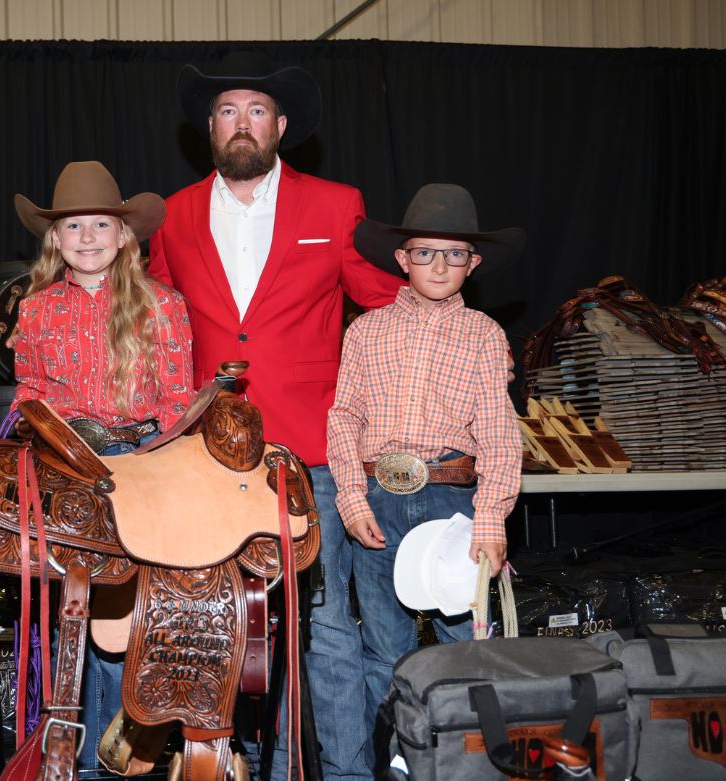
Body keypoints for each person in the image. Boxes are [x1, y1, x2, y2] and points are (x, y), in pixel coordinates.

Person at [147, 50, 402, 781]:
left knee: (323, 626)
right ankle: (234, 763)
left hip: (313, 452)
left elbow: (386, 303)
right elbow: (161, 322)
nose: (242, 124)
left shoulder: (334, 204)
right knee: (215, 622)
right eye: (228, 111)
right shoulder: (174, 214)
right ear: (208, 126)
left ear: (281, 125)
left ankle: (346, 772)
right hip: (210, 457)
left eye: (256, 111)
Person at [327, 183, 524, 772]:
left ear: (474, 263)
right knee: (384, 645)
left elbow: (497, 430)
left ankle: (467, 760)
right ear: (401, 258)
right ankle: (399, 756)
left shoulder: (485, 336)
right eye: (425, 252)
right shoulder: (364, 332)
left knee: (467, 640)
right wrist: (351, 497)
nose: (439, 265)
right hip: (380, 499)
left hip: (450, 504)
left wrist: (490, 517)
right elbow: (344, 417)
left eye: (454, 254)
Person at [8, 160, 196, 767]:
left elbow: (175, 402)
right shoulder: (35, 310)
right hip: (65, 461)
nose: (86, 238)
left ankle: (127, 757)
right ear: (54, 240)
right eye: (72, 228)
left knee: (127, 617)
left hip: (139, 462)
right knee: (72, 616)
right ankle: (73, 761)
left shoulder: (163, 306)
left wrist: (159, 471)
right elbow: (29, 391)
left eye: (99, 225)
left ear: (123, 236)